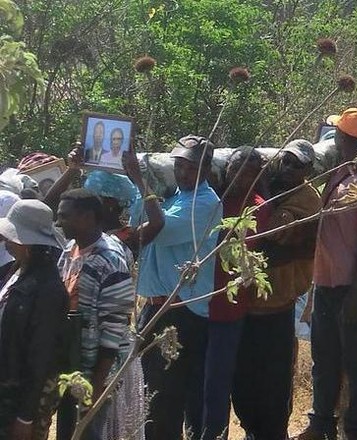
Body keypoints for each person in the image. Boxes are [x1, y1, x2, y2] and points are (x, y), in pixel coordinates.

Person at [297, 108, 357, 440]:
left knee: (355, 359)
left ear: (342, 138)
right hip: (328, 279)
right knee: (325, 355)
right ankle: (321, 424)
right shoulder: (341, 175)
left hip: (352, 284)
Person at [131, 135, 222, 440]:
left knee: (165, 398)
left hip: (180, 312)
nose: (182, 173)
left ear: (206, 168)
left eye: (190, 167)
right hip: (157, 306)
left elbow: (159, 230)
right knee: (150, 393)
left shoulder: (206, 203)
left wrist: (138, 179)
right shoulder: (175, 197)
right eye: (179, 166)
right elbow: (137, 220)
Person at [233, 140, 319, 440]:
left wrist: (264, 194)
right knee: (243, 378)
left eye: (297, 165)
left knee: (275, 380)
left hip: (278, 305)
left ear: (308, 170)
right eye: (286, 161)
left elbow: (276, 231)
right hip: (247, 304)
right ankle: (251, 429)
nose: (289, 168)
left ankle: (273, 433)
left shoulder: (307, 199)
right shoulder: (268, 188)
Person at [53, 189, 135, 440]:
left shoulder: (110, 261)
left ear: (88, 217)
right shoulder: (70, 250)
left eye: (65, 216)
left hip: (96, 372)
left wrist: (97, 386)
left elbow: (114, 328)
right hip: (74, 365)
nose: (59, 222)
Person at [200, 147, 270, 440]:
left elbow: (245, 252)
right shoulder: (214, 201)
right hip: (198, 303)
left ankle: (214, 435)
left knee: (217, 383)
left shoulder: (258, 208)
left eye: (248, 173)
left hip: (228, 308)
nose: (239, 178)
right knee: (196, 381)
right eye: (234, 171)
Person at [0, 200, 67, 440]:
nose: (5, 241)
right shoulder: (14, 271)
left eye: (10, 236)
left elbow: (41, 357)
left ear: (27, 243)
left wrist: (25, 417)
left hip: (17, 400)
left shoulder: (48, 291)